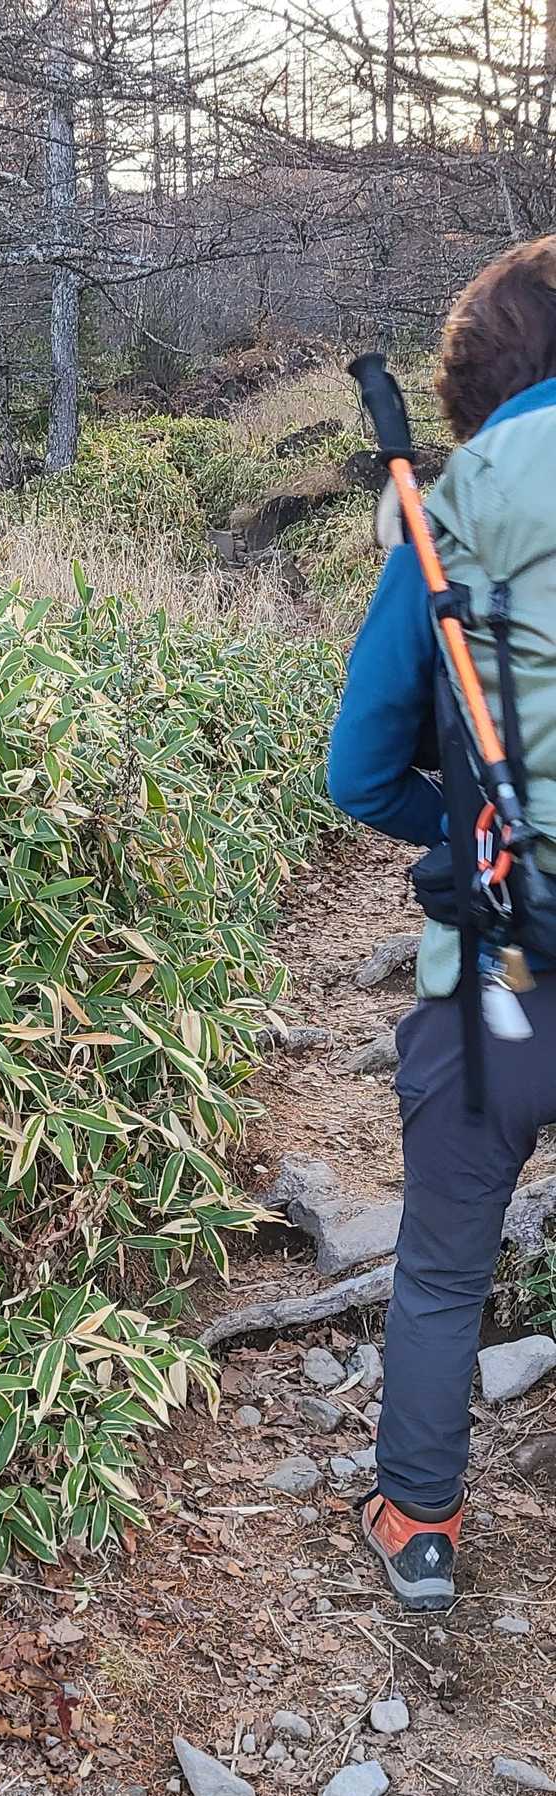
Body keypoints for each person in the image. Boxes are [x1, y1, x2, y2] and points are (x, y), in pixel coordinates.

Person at [328, 237, 556, 1611]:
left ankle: (420, 1522)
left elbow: (359, 770)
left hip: (500, 975)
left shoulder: (451, 513)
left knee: (443, 1263)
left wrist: (469, 826)